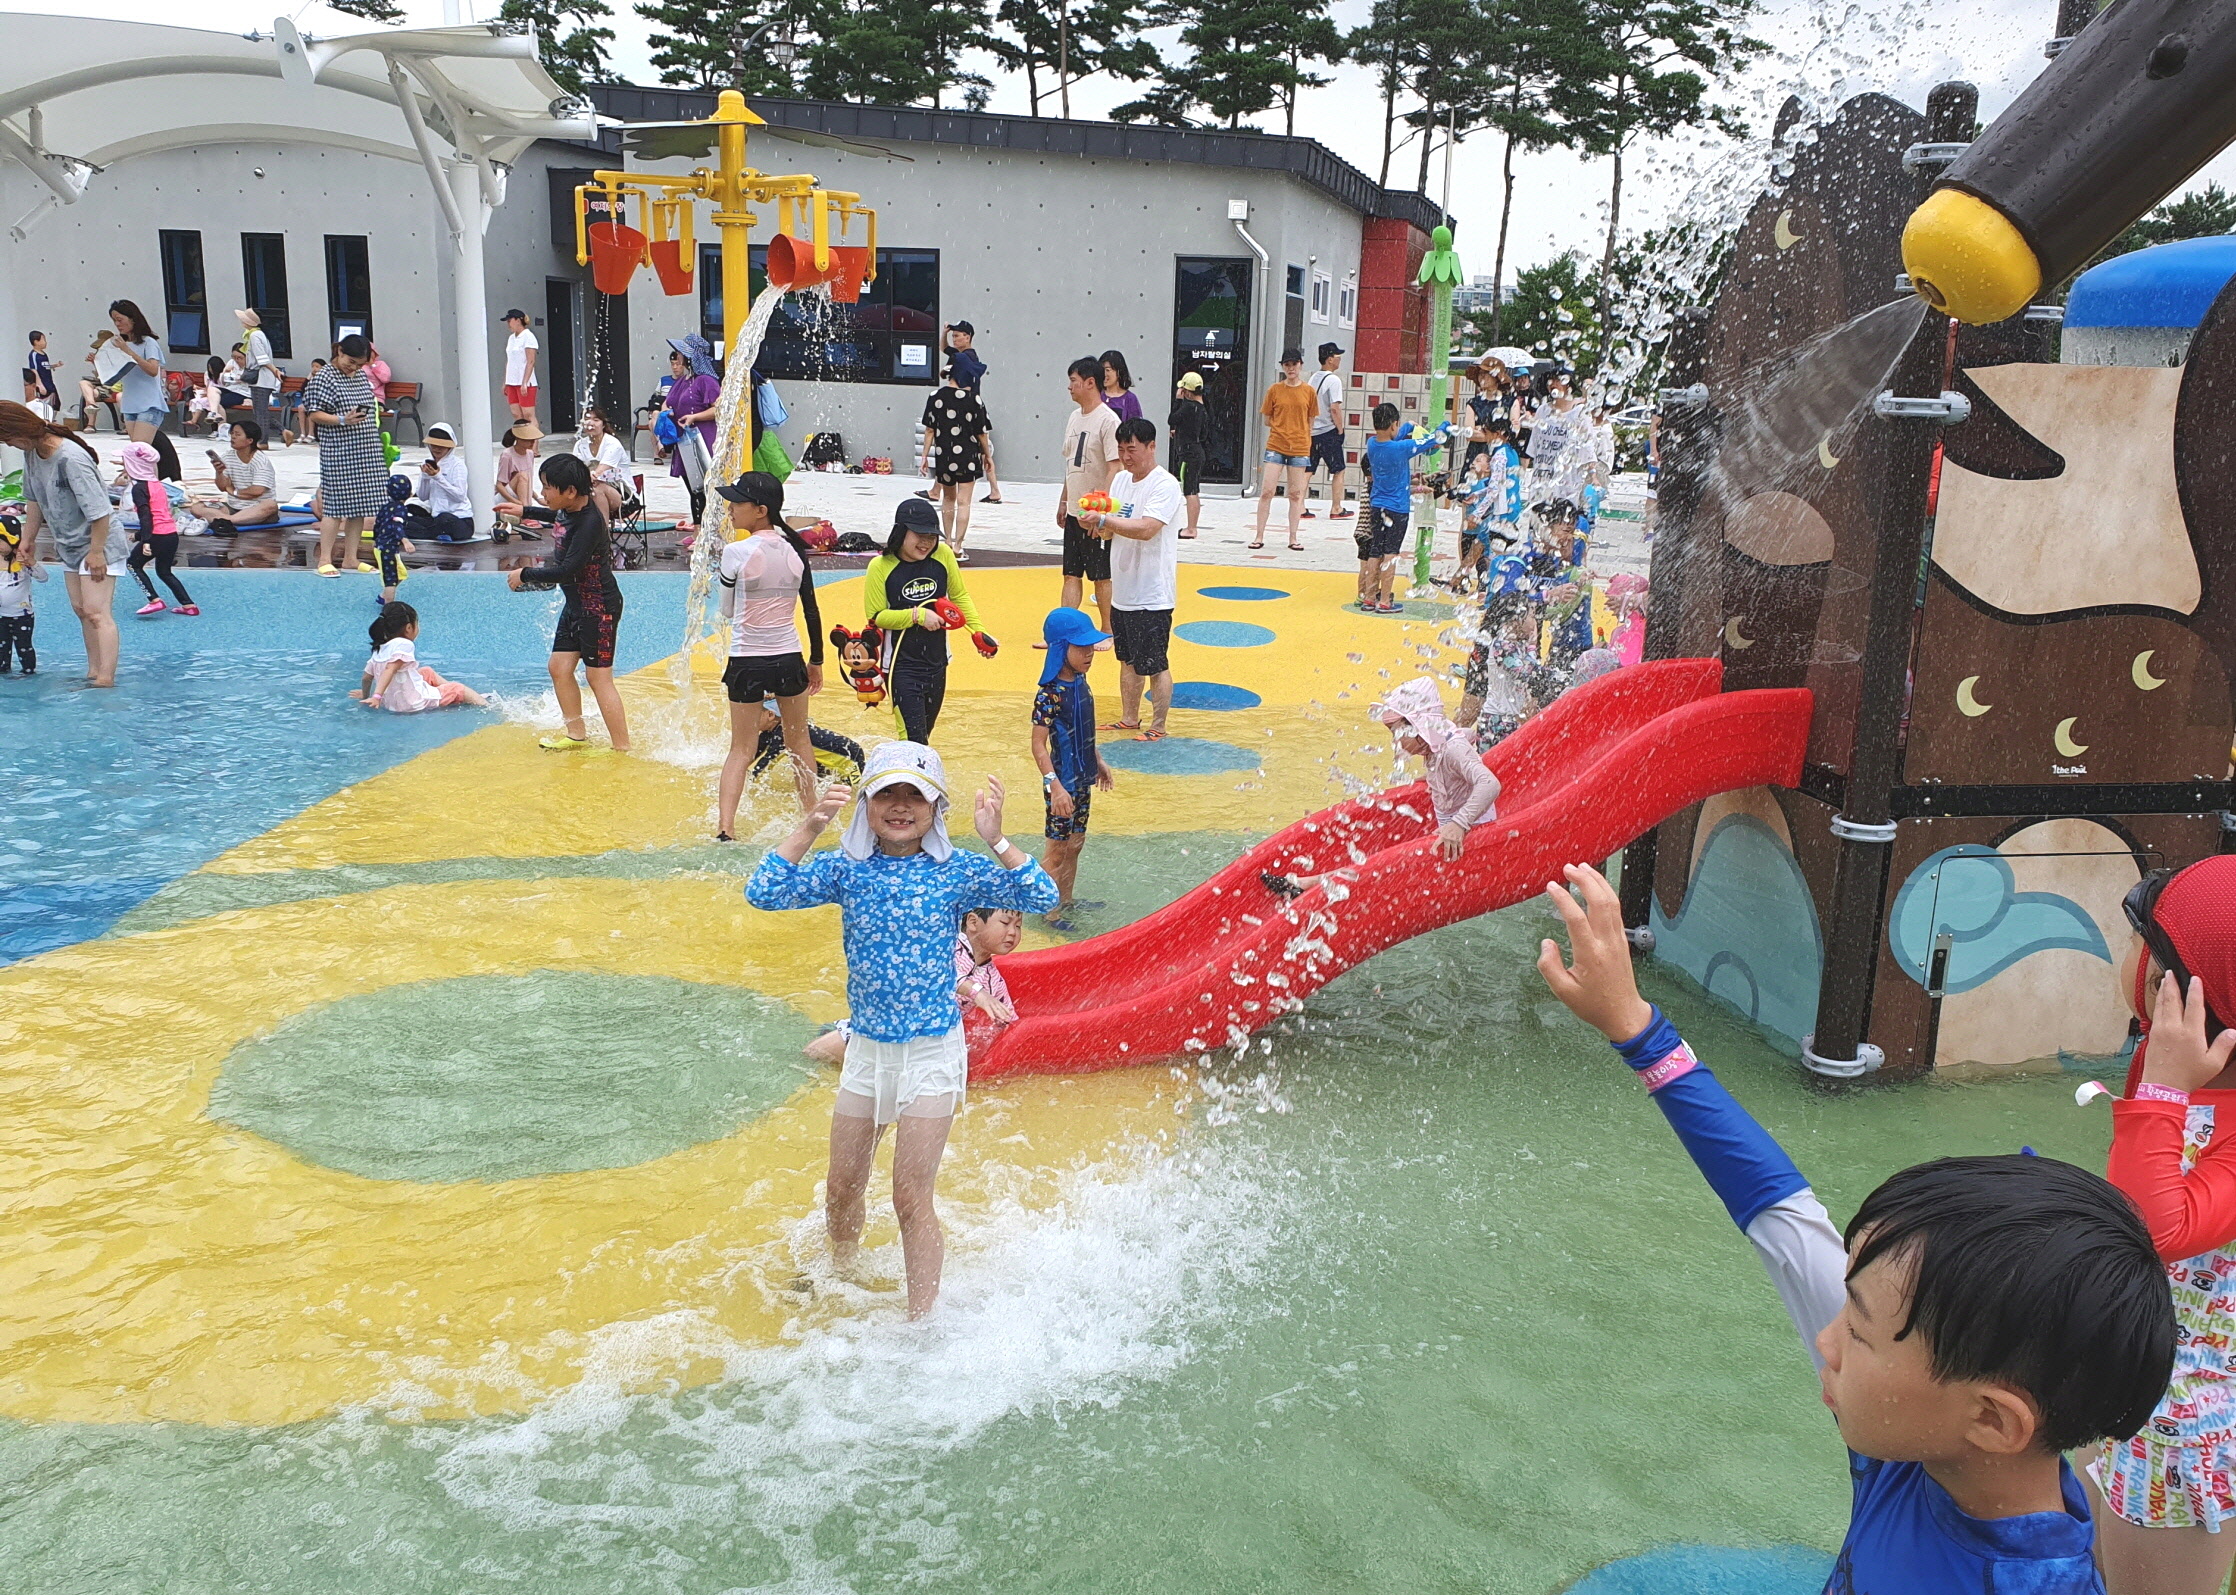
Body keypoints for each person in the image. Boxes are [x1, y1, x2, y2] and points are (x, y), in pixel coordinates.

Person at [1537, 861, 2174, 1593]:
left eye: (1859, 1331)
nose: (1825, 1338)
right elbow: (1782, 1215)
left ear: (1995, 1421)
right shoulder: (1921, 1434)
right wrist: (1639, 1031)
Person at [745, 741, 1059, 1318]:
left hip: (931, 1054)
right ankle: (842, 1275)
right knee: (841, 1189)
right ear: (865, 802)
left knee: (910, 1196)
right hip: (866, 1050)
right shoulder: (848, 869)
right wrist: (811, 824)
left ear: (936, 808)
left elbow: (1042, 894)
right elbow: (763, 892)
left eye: (915, 795)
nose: (899, 805)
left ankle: (923, 1323)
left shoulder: (956, 870)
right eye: (886, 792)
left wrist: (995, 837)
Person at [2090, 855, 2236, 1595]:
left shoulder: (2175, 1077)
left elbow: (2150, 1228)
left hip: (2189, 1422)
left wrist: (2165, 1088)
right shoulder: (2169, 1058)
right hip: (2134, 1370)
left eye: (2149, 954)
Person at [1263, 676, 1496, 898]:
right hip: (1451, 836)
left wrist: (1458, 824)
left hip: (1470, 839)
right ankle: (1312, 882)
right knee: (1381, 856)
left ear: (1420, 727)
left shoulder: (1453, 748)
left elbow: (1490, 783)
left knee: (1381, 867)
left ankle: (1307, 884)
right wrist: (1434, 777)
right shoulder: (1439, 747)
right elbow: (1460, 745)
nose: (1395, 741)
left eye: (1399, 733)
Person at [714, 471, 825, 829]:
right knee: (799, 741)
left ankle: (725, 828)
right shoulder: (794, 550)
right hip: (789, 657)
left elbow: (728, 610)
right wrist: (817, 660)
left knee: (740, 750)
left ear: (760, 510)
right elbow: (810, 608)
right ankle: (812, 817)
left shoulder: (735, 552)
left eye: (736, 502)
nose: (730, 509)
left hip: (747, 658)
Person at [507, 453, 630, 753]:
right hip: (577, 605)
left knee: (598, 678)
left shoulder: (589, 522)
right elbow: (557, 516)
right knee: (559, 667)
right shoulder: (570, 509)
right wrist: (524, 509)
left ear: (570, 491)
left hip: (599, 607)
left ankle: (622, 747)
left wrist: (526, 573)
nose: (544, 493)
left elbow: (567, 570)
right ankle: (576, 735)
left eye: (548, 488)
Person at [803, 903, 1025, 1068]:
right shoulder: (945, 945)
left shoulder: (992, 979)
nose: (1013, 932)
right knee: (811, 1058)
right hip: (885, 1027)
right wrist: (976, 992)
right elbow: (937, 972)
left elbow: (1007, 1022)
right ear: (973, 923)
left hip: (917, 1044)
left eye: (1018, 926)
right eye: (1005, 923)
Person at [1, 401, 123, 686]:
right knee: (82, 610)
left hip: (99, 543)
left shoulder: (71, 458)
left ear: (20, 431)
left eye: (7, 439)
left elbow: (100, 511)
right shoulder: (33, 453)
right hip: (70, 544)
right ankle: (93, 671)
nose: (8, 445)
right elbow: (34, 499)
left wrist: (96, 552)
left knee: (97, 611)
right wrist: (27, 539)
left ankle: (106, 678)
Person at [1080, 416, 1183, 740]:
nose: (1126, 456)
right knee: (1126, 659)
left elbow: (1148, 528)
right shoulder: (1122, 481)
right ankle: (1129, 717)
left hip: (1153, 592)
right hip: (1123, 587)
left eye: (1132, 449)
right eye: (1122, 449)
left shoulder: (1165, 485)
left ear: (1151, 447)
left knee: (1154, 663)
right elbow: (1116, 526)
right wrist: (1096, 524)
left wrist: (1105, 518)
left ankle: (1159, 726)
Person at [866, 495, 990, 745]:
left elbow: (959, 595)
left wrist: (978, 632)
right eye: (919, 536)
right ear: (901, 533)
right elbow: (876, 616)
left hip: (936, 663)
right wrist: (917, 615)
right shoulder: (880, 566)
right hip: (901, 667)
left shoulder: (942, 555)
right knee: (913, 740)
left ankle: (910, 781)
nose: (926, 543)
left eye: (932, 536)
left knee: (925, 735)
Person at [1032, 605, 1117, 931]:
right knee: (1056, 851)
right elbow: (1038, 744)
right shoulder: (1049, 695)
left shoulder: (1081, 683)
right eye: (1080, 646)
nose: (1090, 653)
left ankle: (1066, 899)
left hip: (1082, 779)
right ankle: (1049, 913)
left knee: (1076, 844)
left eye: (1090, 646)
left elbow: (1084, 728)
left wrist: (1098, 761)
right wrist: (1054, 786)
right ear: (1059, 648)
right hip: (1061, 785)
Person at [1354, 404, 1449, 615]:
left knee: (1375, 551)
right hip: (1397, 509)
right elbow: (1432, 440)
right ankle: (1385, 600)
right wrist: (1446, 426)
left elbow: (1391, 438)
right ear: (1392, 425)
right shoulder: (1401, 449)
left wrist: (1405, 427)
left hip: (1377, 505)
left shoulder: (1372, 444)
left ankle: (1370, 598)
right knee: (1391, 554)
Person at [304, 335, 384, 578]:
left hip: (365, 446)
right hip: (339, 448)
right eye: (351, 361)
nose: (354, 367)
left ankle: (351, 558)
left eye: (359, 364)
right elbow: (314, 413)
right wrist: (342, 419)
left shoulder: (359, 376)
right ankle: (325, 559)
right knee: (335, 506)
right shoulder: (325, 377)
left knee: (360, 505)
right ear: (338, 351)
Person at [1057, 356, 1119, 633]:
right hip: (1073, 510)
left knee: (1101, 575)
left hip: (1095, 513)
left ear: (1090, 383)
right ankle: (1066, 630)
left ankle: (1107, 629)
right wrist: (1063, 500)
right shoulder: (1073, 417)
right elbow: (1071, 464)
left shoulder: (1108, 420)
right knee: (1070, 573)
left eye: (1073, 381)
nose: (1069, 387)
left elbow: (1115, 468)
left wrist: (1101, 513)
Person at [352, 600, 486, 712]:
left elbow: (366, 677)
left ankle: (449, 692)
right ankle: (485, 704)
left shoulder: (380, 647)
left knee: (426, 672)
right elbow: (390, 669)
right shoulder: (404, 644)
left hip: (391, 702)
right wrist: (376, 696)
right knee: (457, 688)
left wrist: (366, 695)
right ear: (409, 628)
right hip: (412, 703)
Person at [919, 364, 992, 559]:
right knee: (964, 502)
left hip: (945, 456)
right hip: (968, 456)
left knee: (948, 499)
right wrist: (988, 457)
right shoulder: (974, 399)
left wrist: (925, 456)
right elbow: (981, 433)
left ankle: (947, 541)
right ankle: (959, 547)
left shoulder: (935, 396)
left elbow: (929, 430)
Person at [119, 441, 196, 618]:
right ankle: (188, 605)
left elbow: (146, 516)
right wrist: (139, 535)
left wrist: (145, 540)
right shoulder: (156, 484)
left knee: (133, 564)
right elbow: (159, 513)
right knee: (164, 571)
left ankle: (154, 600)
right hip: (170, 534)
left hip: (155, 536)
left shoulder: (139, 488)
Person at [1252, 349, 1315, 552]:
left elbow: (1311, 419)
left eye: (1294, 364)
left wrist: (1301, 434)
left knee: (1296, 494)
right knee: (1267, 490)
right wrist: (1284, 427)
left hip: (1299, 446)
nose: (1291, 368)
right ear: (1282, 367)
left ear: (1300, 365)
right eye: (1287, 365)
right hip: (1276, 444)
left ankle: (1293, 537)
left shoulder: (1308, 391)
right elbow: (1267, 418)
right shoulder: (1274, 390)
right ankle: (1259, 534)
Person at [662, 337, 721, 532]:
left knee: (703, 488)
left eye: (681, 352)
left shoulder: (707, 381)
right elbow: (667, 402)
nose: (677, 356)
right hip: (684, 441)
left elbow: (719, 409)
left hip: (701, 440)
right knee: (692, 487)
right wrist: (665, 413)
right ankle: (698, 530)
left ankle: (705, 533)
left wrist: (694, 417)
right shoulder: (684, 381)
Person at [186, 420, 279, 532]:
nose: (233, 437)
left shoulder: (261, 461)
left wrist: (233, 492)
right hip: (233, 507)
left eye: (238, 434)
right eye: (232, 433)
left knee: (270, 505)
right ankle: (228, 520)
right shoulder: (228, 457)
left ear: (250, 440)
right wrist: (219, 472)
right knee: (197, 507)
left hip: (256, 508)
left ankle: (226, 520)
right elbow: (222, 487)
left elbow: (257, 491)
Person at [100, 301, 165, 444]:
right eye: (114, 321)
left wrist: (128, 352)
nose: (117, 324)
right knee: (135, 451)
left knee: (140, 450)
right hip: (130, 403)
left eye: (120, 320)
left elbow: (153, 370)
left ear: (133, 319)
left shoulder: (148, 342)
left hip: (149, 403)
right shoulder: (122, 344)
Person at [1304, 341, 1351, 521]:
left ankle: (1300, 506)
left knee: (1308, 470)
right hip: (1328, 431)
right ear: (1330, 359)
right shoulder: (1333, 380)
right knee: (1338, 470)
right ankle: (1337, 508)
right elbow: (1334, 409)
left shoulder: (1314, 378)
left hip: (1312, 432)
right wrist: (1340, 429)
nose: (1339, 359)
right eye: (1337, 356)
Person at [0, 513, 48, 675]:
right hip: (0, 615)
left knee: (24, 647)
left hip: (22, 614)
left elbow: (43, 578)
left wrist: (32, 563)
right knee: (1, 648)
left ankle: (29, 672)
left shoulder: (22, 563)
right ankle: (3, 671)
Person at [408, 423, 473, 543]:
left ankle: (432, 533)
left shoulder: (457, 465)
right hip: (435, 518)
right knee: (407, 515)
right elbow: (422, 496)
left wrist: (438, 477)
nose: (437, 449)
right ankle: (436, 533)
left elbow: (459, 496)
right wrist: (425, 477)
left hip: (459, 519)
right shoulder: (428, 462)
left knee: (444, 519)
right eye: (434, 445)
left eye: (441, 446)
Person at [571, 406, 632, 523]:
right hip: (589, 488)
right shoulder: (580, 444)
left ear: (603, 424)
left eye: (596, 420)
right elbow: (575, 470)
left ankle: (602, 533)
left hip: (622, 494)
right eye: (587, 419)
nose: (591, 423)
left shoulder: (612, 444)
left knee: (597, 489)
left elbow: (598, 473)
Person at [1166, 371, 1207, 539]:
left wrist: (1178, 400)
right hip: (1197, 451)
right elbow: (1202, 434)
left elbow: (1172, 418)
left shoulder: (1188, 406)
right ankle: (1192, 526)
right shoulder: (1202, 409)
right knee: (1194, 490)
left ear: (1186, 391)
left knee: (1189, 491)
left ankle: (1191, 529)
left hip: (1189, 454)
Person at [235, 309, 283, 445]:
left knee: (260, 413)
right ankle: (283, 430)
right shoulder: (257, 334)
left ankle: (262, 441)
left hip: (261, 379)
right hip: (262, 379)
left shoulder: (254, 336)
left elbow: (261, 358)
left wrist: (274, 370)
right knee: (260, 411)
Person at [370, 474, 415, 607]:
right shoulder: (400, 510)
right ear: (410, 494)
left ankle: (384, 596)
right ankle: (389, 605)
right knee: (391, 579)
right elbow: (397, 525)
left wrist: (375, 539)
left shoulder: (385, 507)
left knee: (400, 574)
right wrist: (405, 541)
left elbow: (377, 524)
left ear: (387, 491)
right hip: (388, 548)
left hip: (382, 546)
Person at [494, 424, 545, 536]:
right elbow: (499, 485)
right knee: (522, 475)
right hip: (507, 497)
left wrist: (538, 498)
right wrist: (516, 502)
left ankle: (527, 512)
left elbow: (527, 483)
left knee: (524, 476)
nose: (532, 443)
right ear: (518, 439)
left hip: (522, 499)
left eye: (533, 440)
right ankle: (526, 515)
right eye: (528, 440)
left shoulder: (530, 454)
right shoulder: (507, 455)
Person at [502, 309, 539, 426]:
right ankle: (522, 440)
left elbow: (531, 361)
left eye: (510, 321)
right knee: (516, 413)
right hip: (512, 381)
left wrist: (525, 382)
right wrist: (505, 382)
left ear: (518, 320)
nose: (508, 324)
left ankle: (534, 443)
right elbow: (510, 361)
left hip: (525, 382)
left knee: (528, 414)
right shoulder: (511, 338)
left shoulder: (528, 336)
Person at [1100, 349, 1142, 424]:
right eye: (1101, 370)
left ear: (1119, 371)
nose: (1104, 374)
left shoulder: (1130, 398)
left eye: (1108, 370)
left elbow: (1136, 428)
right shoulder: (1097, 395)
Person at [26, 331, 60, 421]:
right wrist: (39, 384)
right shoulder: (33, 354)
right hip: (43, 383)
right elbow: (34, 369)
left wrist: (55, 365)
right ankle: (44, 421)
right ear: (36, 341)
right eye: (43, 339)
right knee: (44, 403)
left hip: (49, 382)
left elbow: (45, 366)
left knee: (56, 403)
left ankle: (51, 419)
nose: (46, 342)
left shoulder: (44, 354)